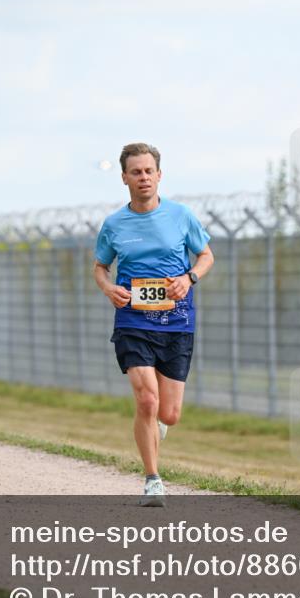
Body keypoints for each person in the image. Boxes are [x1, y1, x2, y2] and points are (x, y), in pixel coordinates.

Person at [93, 143, 214, 507]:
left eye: (149, 171)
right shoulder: (114, 224)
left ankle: (157, 427)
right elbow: (100, 266)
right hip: (133, 319)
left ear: (159, 175)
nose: (143, 177)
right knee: (146, 398)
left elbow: (206, 255)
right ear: (124, 178)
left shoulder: (181, 216)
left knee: (169, 414)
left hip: (176, 321)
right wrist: (108, 288)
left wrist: (190, 277)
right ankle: (153, 480)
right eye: (136, 172)